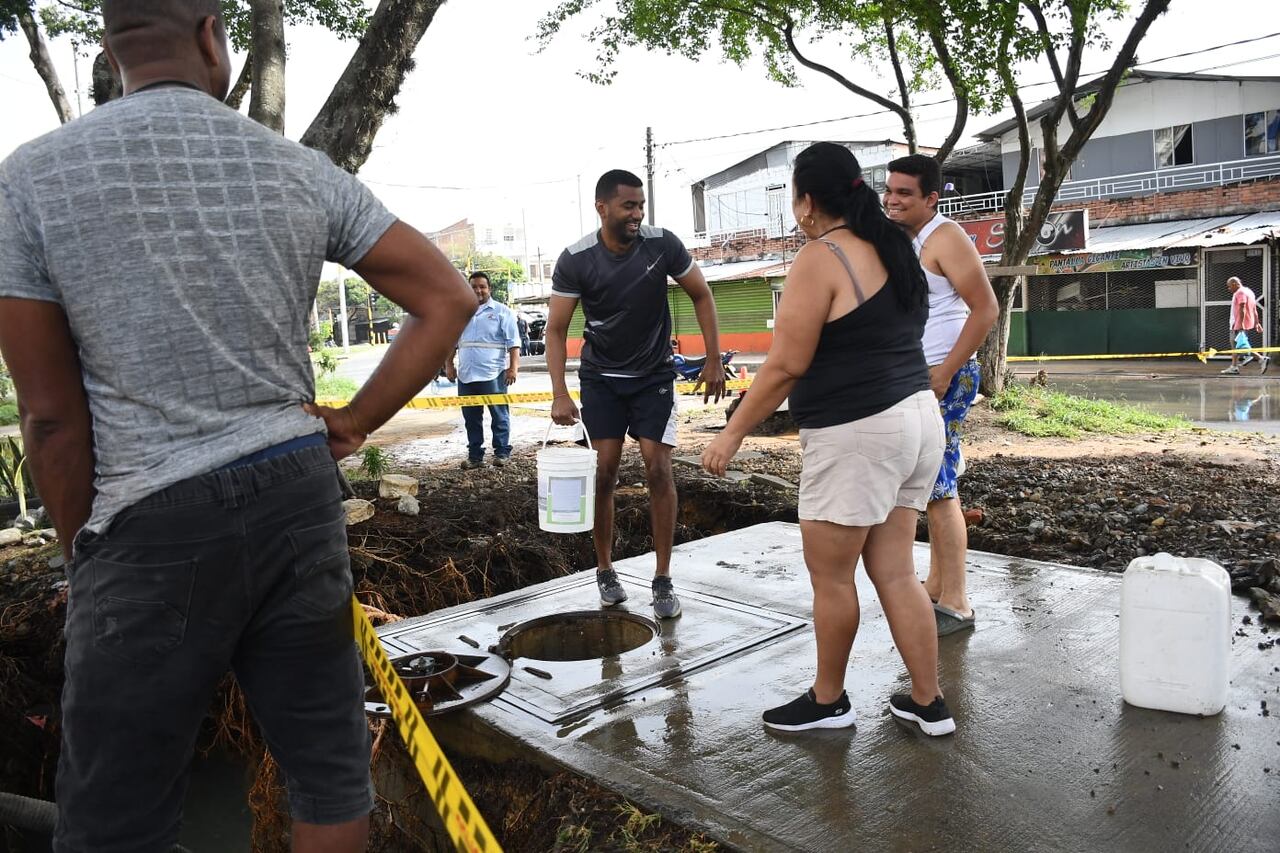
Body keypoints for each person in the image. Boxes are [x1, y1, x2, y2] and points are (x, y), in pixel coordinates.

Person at [0, 2, 476, 849]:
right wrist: (356, 419)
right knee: (330, 780)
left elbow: (50, 418)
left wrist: (85, 557)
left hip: (150, 517)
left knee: (114, 818)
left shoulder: (30, 178)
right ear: (212, 35)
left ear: (109, 51)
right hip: (296, 490)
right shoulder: (295, 167)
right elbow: (446, 297)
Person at [701, 142, 952, 736]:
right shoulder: (893, 247)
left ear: (807, 201)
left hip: (858, 434)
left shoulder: (821, 258)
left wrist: (731, 434)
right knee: (895, 572)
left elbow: (786, 365)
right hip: (918, 420)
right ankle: (928, 703)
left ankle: (828, 701)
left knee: (833, 578)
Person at [546, 169, 724, 619]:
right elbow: (556, 329)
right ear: (602, 207)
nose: (637, 214)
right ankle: (605, 569)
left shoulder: (662, 245)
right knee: (604, 472)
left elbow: (702, 294)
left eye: (641, 205)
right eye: (628, 206)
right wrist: (559, 393)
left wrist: (713, 358)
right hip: (601, 379)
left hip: (653, 376)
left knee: (658, 467)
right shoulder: (576, 259)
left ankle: (662, 578)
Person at [885, 154, 998, 636]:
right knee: (931, 483)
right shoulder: (902, 239)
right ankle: (936, 584)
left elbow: (986, 308)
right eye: (889, 190)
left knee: (938, 487)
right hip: (917, 376)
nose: (892, 200)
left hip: (944, 376)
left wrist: (944, 372)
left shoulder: (945, 237)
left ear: (931, 198)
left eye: (904, 193)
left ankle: (957, 600)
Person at [446, 272, 521, 468]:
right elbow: (452, 342)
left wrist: (513, 368)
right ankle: (475, 457)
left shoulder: (502, 311)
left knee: (499, 416)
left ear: (489, 289)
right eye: (473, 287)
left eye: (482, 286)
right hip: (466, 375)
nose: (478, 290)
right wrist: (449, 365)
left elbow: (514, 343)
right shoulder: (459, 313)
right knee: (471, 419)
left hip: (493, 374)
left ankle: (502, 453)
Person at [1221, 276, 1269, 375]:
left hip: (1237, 324)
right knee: (1238, 345)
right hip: (1244, 324)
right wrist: (1257, 323)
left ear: (1234, 284)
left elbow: (1242, 308)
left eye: (1229, 286)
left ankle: (1260, 358)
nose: (1228, 289)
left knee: (1237, 346)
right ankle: (1235, 366)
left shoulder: (1240, 292)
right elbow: (1254, 309)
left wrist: (1240, 324)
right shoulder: (1249, 292)